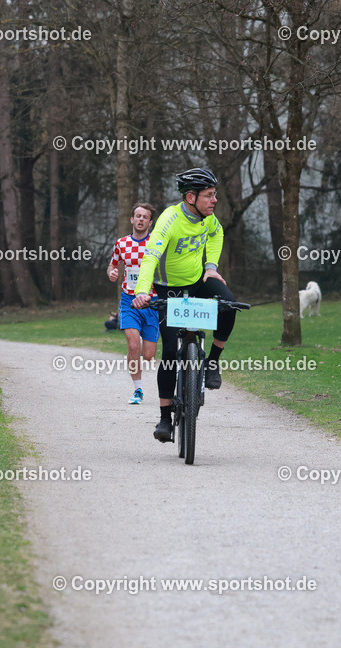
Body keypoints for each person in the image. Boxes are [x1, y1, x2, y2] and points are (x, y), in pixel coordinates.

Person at [132, 168, 238, 442]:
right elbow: (150, 257)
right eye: (209, 196)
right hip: (169, 290)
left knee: (229, 304)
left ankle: (212, 362)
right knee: (169, 353)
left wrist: (211, 267)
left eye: (215, 195)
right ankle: (165, 418)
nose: (214, 201)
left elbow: (218, 234)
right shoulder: (169, 219)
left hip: (197, 281)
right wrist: (143, 291)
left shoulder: (208, 218)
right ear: (191, 197)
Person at [108, 202, 160, 404]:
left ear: (150, 222)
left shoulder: (156, 244)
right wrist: (112, 273)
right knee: (133, 345)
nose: (140, 219)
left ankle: (142, 367)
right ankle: (138, 390)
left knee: (148, 355)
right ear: (131, 219)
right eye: (137, 216)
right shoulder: (121, 244)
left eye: (145, 217)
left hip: (151, 302)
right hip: (129, 301)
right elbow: (112, 265)